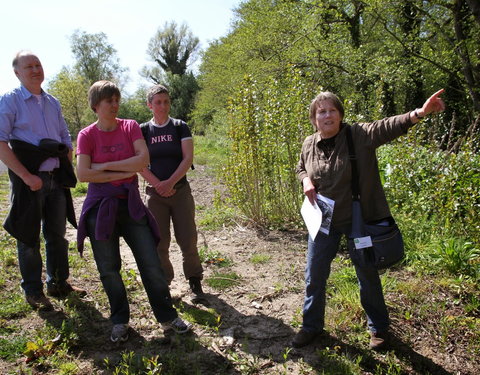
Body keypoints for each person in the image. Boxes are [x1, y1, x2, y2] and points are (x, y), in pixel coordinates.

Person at [293, 89, 445, 350]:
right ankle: (311, 326)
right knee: (314, 275)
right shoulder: (309, 143)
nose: (327, 115)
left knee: (367, 272)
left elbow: (388, 126)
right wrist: (306, 179)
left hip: (358, 220)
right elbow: (300, 167)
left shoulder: (358, 135)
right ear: (313, 118)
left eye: (332, 110)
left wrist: (419, 113)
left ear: (340, 114)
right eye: (321, 111)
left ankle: (379, 329)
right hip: (324, 219)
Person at [76, 80, 192, 343]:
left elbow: (143, 161)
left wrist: (102, 166)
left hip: (130, 204)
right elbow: (82, 174)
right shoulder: (86, 135)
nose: (115, 105)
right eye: (109, 101)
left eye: (117, 99)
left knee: (150, 262)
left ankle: (167, 315)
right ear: (96, 105)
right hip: (100, 208)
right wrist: (122, 169)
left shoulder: (129, 127)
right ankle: (120, 321)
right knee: (109, 268)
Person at [0, 51, 86, 312]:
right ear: (17, 73)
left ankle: (59, 283)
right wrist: (26, 176)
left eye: (38, 65)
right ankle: (33, 291)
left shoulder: (52, 102)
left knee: (57, 235)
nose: (36, 69)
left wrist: (66, 158)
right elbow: (1, 142)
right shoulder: (10, 101)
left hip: (55, 178)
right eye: (29, 66)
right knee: (28, 237)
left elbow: (64, 134)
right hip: (29, 180)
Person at [139, 84, 206, 304]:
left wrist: (170, 183)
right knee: (159, 242)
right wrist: (159, 185)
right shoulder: (143, 130)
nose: (163, 106)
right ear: (150, 105)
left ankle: (195, 280)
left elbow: (187, 158)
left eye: (166, 101)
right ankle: (164, 283)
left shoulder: (179, 126)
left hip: (180, 191)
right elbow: (140, 164)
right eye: (158, 102)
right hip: (155, 195)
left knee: (188, 238)